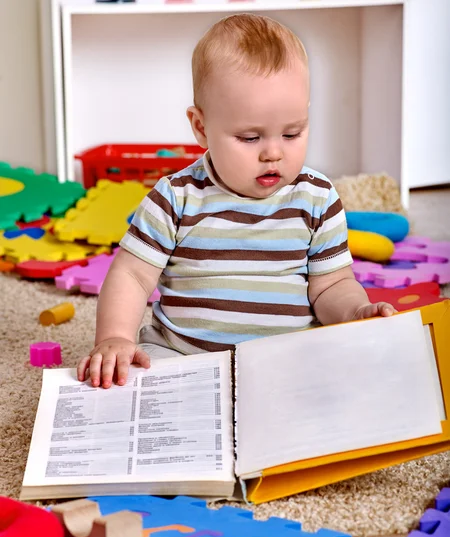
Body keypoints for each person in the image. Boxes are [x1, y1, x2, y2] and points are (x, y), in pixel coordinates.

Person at [77, 13, 395, 389]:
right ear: (201, 127)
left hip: (287, 362)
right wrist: (116, 338)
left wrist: (354, 312)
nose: (273, 153)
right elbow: (131, 275)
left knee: (347, 387)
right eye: (249, 138)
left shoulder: (317, 198)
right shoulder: (175, 198)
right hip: (183, 356)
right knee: (136, 383)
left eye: (292, 133)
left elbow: (331, 285)